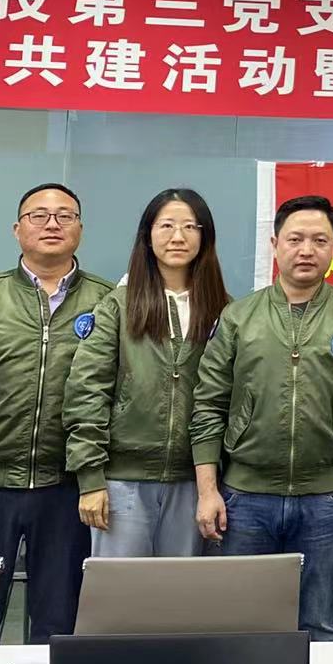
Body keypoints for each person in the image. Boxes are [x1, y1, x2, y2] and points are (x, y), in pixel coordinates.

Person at [190, 194, 333, 641]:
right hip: (245, 499)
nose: (306, 250)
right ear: (275, 244)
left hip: (324, 499)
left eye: (320, 240)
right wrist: (207, 491)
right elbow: (208, 405)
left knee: (317, 625)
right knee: (241, 626)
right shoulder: (239, 317)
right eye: (295, 239)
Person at [0, 182, 115, 643]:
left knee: (61, 622)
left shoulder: (110, 302)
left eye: (64, 215)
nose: (52, 224)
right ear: (17, 229)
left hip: (67, 487)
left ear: (80, 228)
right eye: (38, 215)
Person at [64, 188, 229, 557]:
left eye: (190, 226)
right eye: (166, 225)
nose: (178, 236)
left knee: (181, 588)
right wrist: (90, 479)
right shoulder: (118, 306)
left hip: (194, 482)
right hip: (122, 481)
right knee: (121, 589)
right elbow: (86, 392)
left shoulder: (224, 311)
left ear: (205, 237)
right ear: (148, 235)